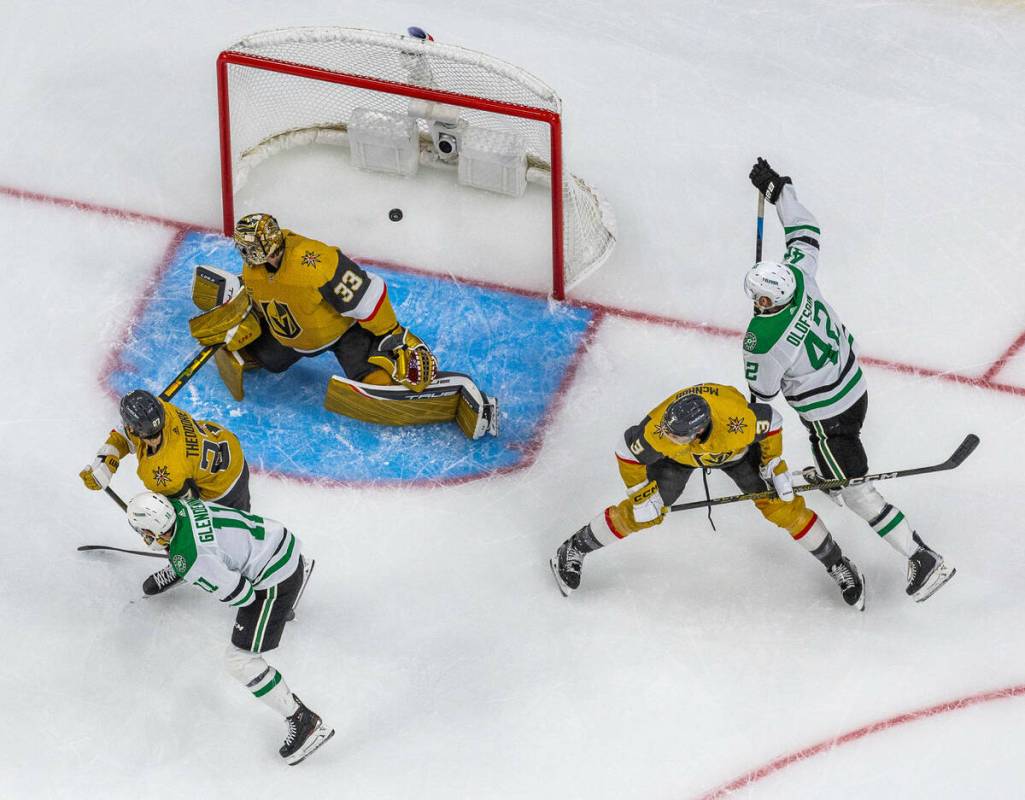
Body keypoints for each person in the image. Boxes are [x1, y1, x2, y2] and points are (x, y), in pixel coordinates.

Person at [742, 157, 954, 602]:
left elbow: (762, 399)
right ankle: (833, 477)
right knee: (840, 470)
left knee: (860, 496)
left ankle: (922, 557)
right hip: (855, 388)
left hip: (828, 419)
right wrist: (782, 192)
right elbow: (805, 232)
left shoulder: (763, 340)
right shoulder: (799, 275)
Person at [550, 383, 866, 609]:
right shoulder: (661, 430)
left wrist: (773, 462)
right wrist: (640, 492)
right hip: (683, 460)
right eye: (669, 433)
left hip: (736, 454)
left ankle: (837, 563)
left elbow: (772, 421)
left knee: (783, 507)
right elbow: (626, 451)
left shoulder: (736, 422)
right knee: (643, 513)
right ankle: (572, 548)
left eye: (677, 436)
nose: (668, 437)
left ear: (700, 430)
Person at [189, 213, 497, 439]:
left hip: (342, 331)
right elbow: (266, 296)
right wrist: (244, 313)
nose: (245, 255)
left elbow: (365, 296)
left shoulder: (316, 262)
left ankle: (447, 389)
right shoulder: (254, 268)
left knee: (373, 377)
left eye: (247, 249)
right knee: (266, 360)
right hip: (292, 335)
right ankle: (235, 294)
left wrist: (392, 334)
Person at [124, 491, 332, 765]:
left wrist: (192, 568)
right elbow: (208, 544)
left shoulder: (191, 556)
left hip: (277, 578)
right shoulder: (179, 506)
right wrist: (184, 563)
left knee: (239, 661)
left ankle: (303, 721)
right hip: (278, 540)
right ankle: (298, 569)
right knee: (209, 558)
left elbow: (243, 595)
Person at [79, 389, 249, 595]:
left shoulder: (162, 471)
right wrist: (106, 462)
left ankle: (184, 564)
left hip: (222, 485)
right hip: (226, 447)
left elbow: (188, 513)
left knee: (230, 540)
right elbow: (125, 435)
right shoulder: (160, 410)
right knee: (240, 525)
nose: (152, 439)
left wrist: (161, 538)